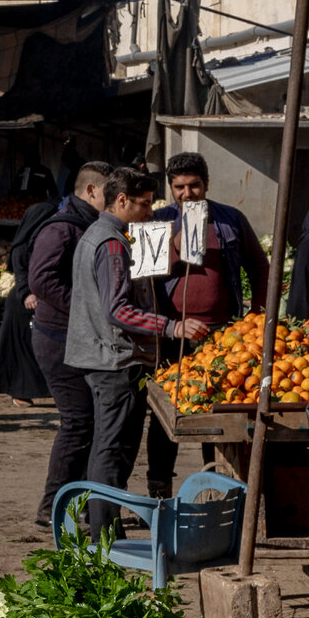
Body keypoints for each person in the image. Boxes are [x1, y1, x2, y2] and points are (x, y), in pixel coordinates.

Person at [66, 165, 209, 532]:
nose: (150, 211)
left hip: (110, 356)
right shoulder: (111, 243)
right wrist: (172, 327)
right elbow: (119, 310)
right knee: (112, 448)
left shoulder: (106, 235)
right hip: (115, 359)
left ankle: (106, 521)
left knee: (114, 446)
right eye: (144, 204)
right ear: (122, 200)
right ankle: (102, 529)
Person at [27, 162, 113, 524]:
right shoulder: (62, 228)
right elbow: (41, 280)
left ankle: (70, 501)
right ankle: (51, 507)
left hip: (74, 337)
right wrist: (84, 307)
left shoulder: (91, 226)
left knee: (87, 423)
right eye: (110, 194)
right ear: (91, 190)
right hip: (56, 339)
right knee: (77, 422)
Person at [155, 153, 270, 335]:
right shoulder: (159, 220)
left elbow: (259, 267)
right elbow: (145, 275)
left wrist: (257, 315)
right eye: (179, 187)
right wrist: (175, 245)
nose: (187, 194)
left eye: (194, 186)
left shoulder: (231, 219)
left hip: (222, 326)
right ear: (171, 188)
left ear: (206, 184)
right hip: (173, 328)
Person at [0, 188, 58, 407]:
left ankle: (33, 391)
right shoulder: (22, 247)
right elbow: (21, 274)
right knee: (22, 352)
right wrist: (27, 293)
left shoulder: (41, 242)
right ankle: (19, 393)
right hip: (22, 303)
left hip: (35, 301)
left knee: (35, 350)